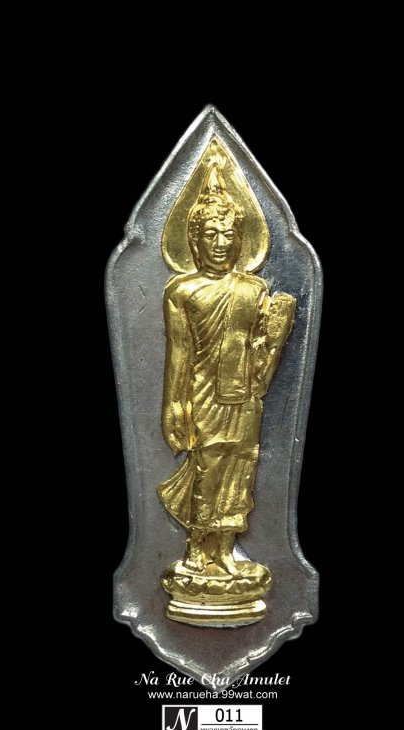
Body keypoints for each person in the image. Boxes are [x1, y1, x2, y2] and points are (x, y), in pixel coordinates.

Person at [158, 164, 295, 576]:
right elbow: (179, 354)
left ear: (240, 239)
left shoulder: (254, 289)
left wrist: (275, 334)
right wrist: (173, 405)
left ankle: (225, 551)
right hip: (204, 393)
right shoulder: (183, 291)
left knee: (242, 466)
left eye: (228, 234)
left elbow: (262, 348)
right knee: (210, 466)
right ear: (194, 240)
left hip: (245, 395)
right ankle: (197, 548)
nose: (220, 243)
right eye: (210, 234)